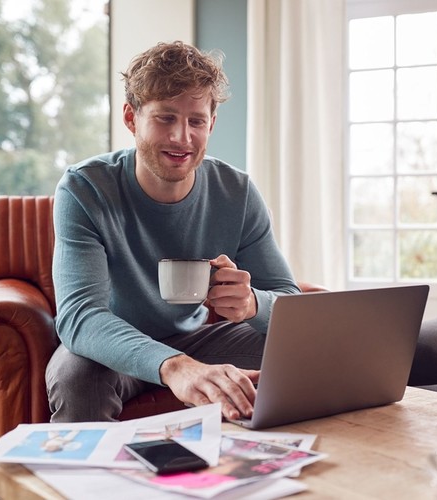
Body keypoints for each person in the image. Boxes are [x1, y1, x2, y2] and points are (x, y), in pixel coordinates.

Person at [46, 41, 300, 424]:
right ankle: (93, 484)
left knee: (310, 351)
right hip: (112, 346)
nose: (182, 138)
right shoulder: (85, 188)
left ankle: (284, 471)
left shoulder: (237, 192)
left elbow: (290, 306)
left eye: (196, 121)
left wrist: (250, 304)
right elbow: (81, 316)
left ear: (211, 123)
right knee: (76, 376)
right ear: (131, 118)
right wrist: (176, 367)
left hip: (198, 339)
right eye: (165, 118)